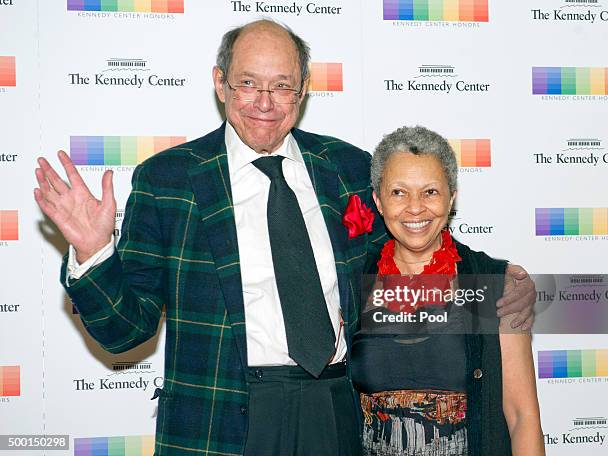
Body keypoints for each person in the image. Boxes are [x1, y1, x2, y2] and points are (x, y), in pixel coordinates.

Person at [33, 20, 536, 456]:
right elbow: (126, 332)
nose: (265, 103)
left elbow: (401, 258)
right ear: (221, 84)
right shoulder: (169, 180)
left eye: (282, 86)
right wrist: (94, 253)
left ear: (303, 91)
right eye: (249, 83)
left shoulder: (347, 169)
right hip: (222, 418)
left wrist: (498, 285)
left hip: (337, 407)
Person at [351, 126, 545, 456]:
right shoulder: (353, 279)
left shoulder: (490, 282)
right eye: (399, 192)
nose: (415, 208)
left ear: (451, 198)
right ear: (378, 201)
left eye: (430, 192)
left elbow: (522, 417)